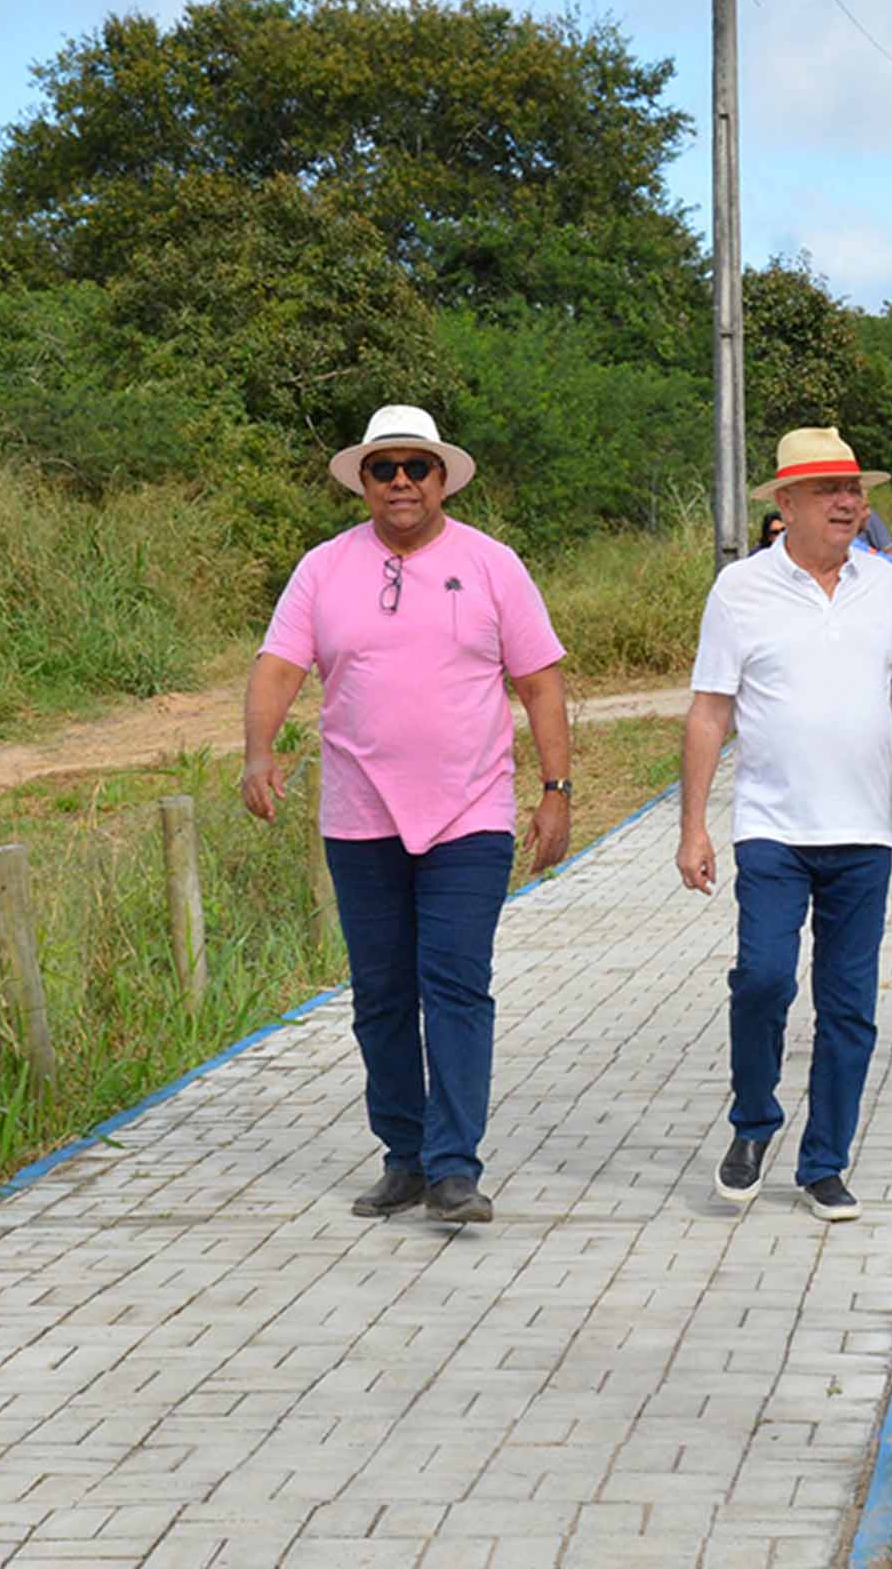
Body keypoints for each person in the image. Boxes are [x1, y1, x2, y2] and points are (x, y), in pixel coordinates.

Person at [242, 404, 571, 1226]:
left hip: (470, 814)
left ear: (441, 478)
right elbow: (279, 666)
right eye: (382, 468)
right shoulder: (322, 569)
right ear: (362, 480)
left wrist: (556, 792)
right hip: (360, 817)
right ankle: (405, 1158)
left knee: (455, 985)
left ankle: (455, 1168)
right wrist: (258, 751)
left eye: (414, 468)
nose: (399, 482)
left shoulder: (493, 565)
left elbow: (540, 683)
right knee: (381, 995)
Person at [678, 428, 892, 1223]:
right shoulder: (740, 590)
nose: (847, 502)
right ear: (784, 503)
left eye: (855, 490)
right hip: (772, 826)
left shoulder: (881, 586)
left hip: (865, 830)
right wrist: (692, 826)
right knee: (763, 978)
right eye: (828, 490)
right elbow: (708, 711)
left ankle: (825, 1161)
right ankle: (754, 1122)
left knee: (849, 1004)